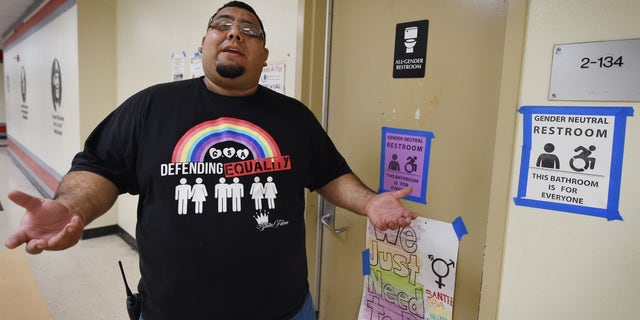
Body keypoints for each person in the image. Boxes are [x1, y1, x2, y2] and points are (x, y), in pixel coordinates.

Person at [4, 1, 418, 319]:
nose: (234, 34)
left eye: (249, 31)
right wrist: (70, 207)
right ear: (202, 44)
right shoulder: (151, 107)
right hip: (173, 310)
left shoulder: (293, 116)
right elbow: (100, 169)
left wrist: (368, 202)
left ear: (264, 54)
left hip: (284, 310)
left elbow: (328, 173)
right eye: (222, 26)